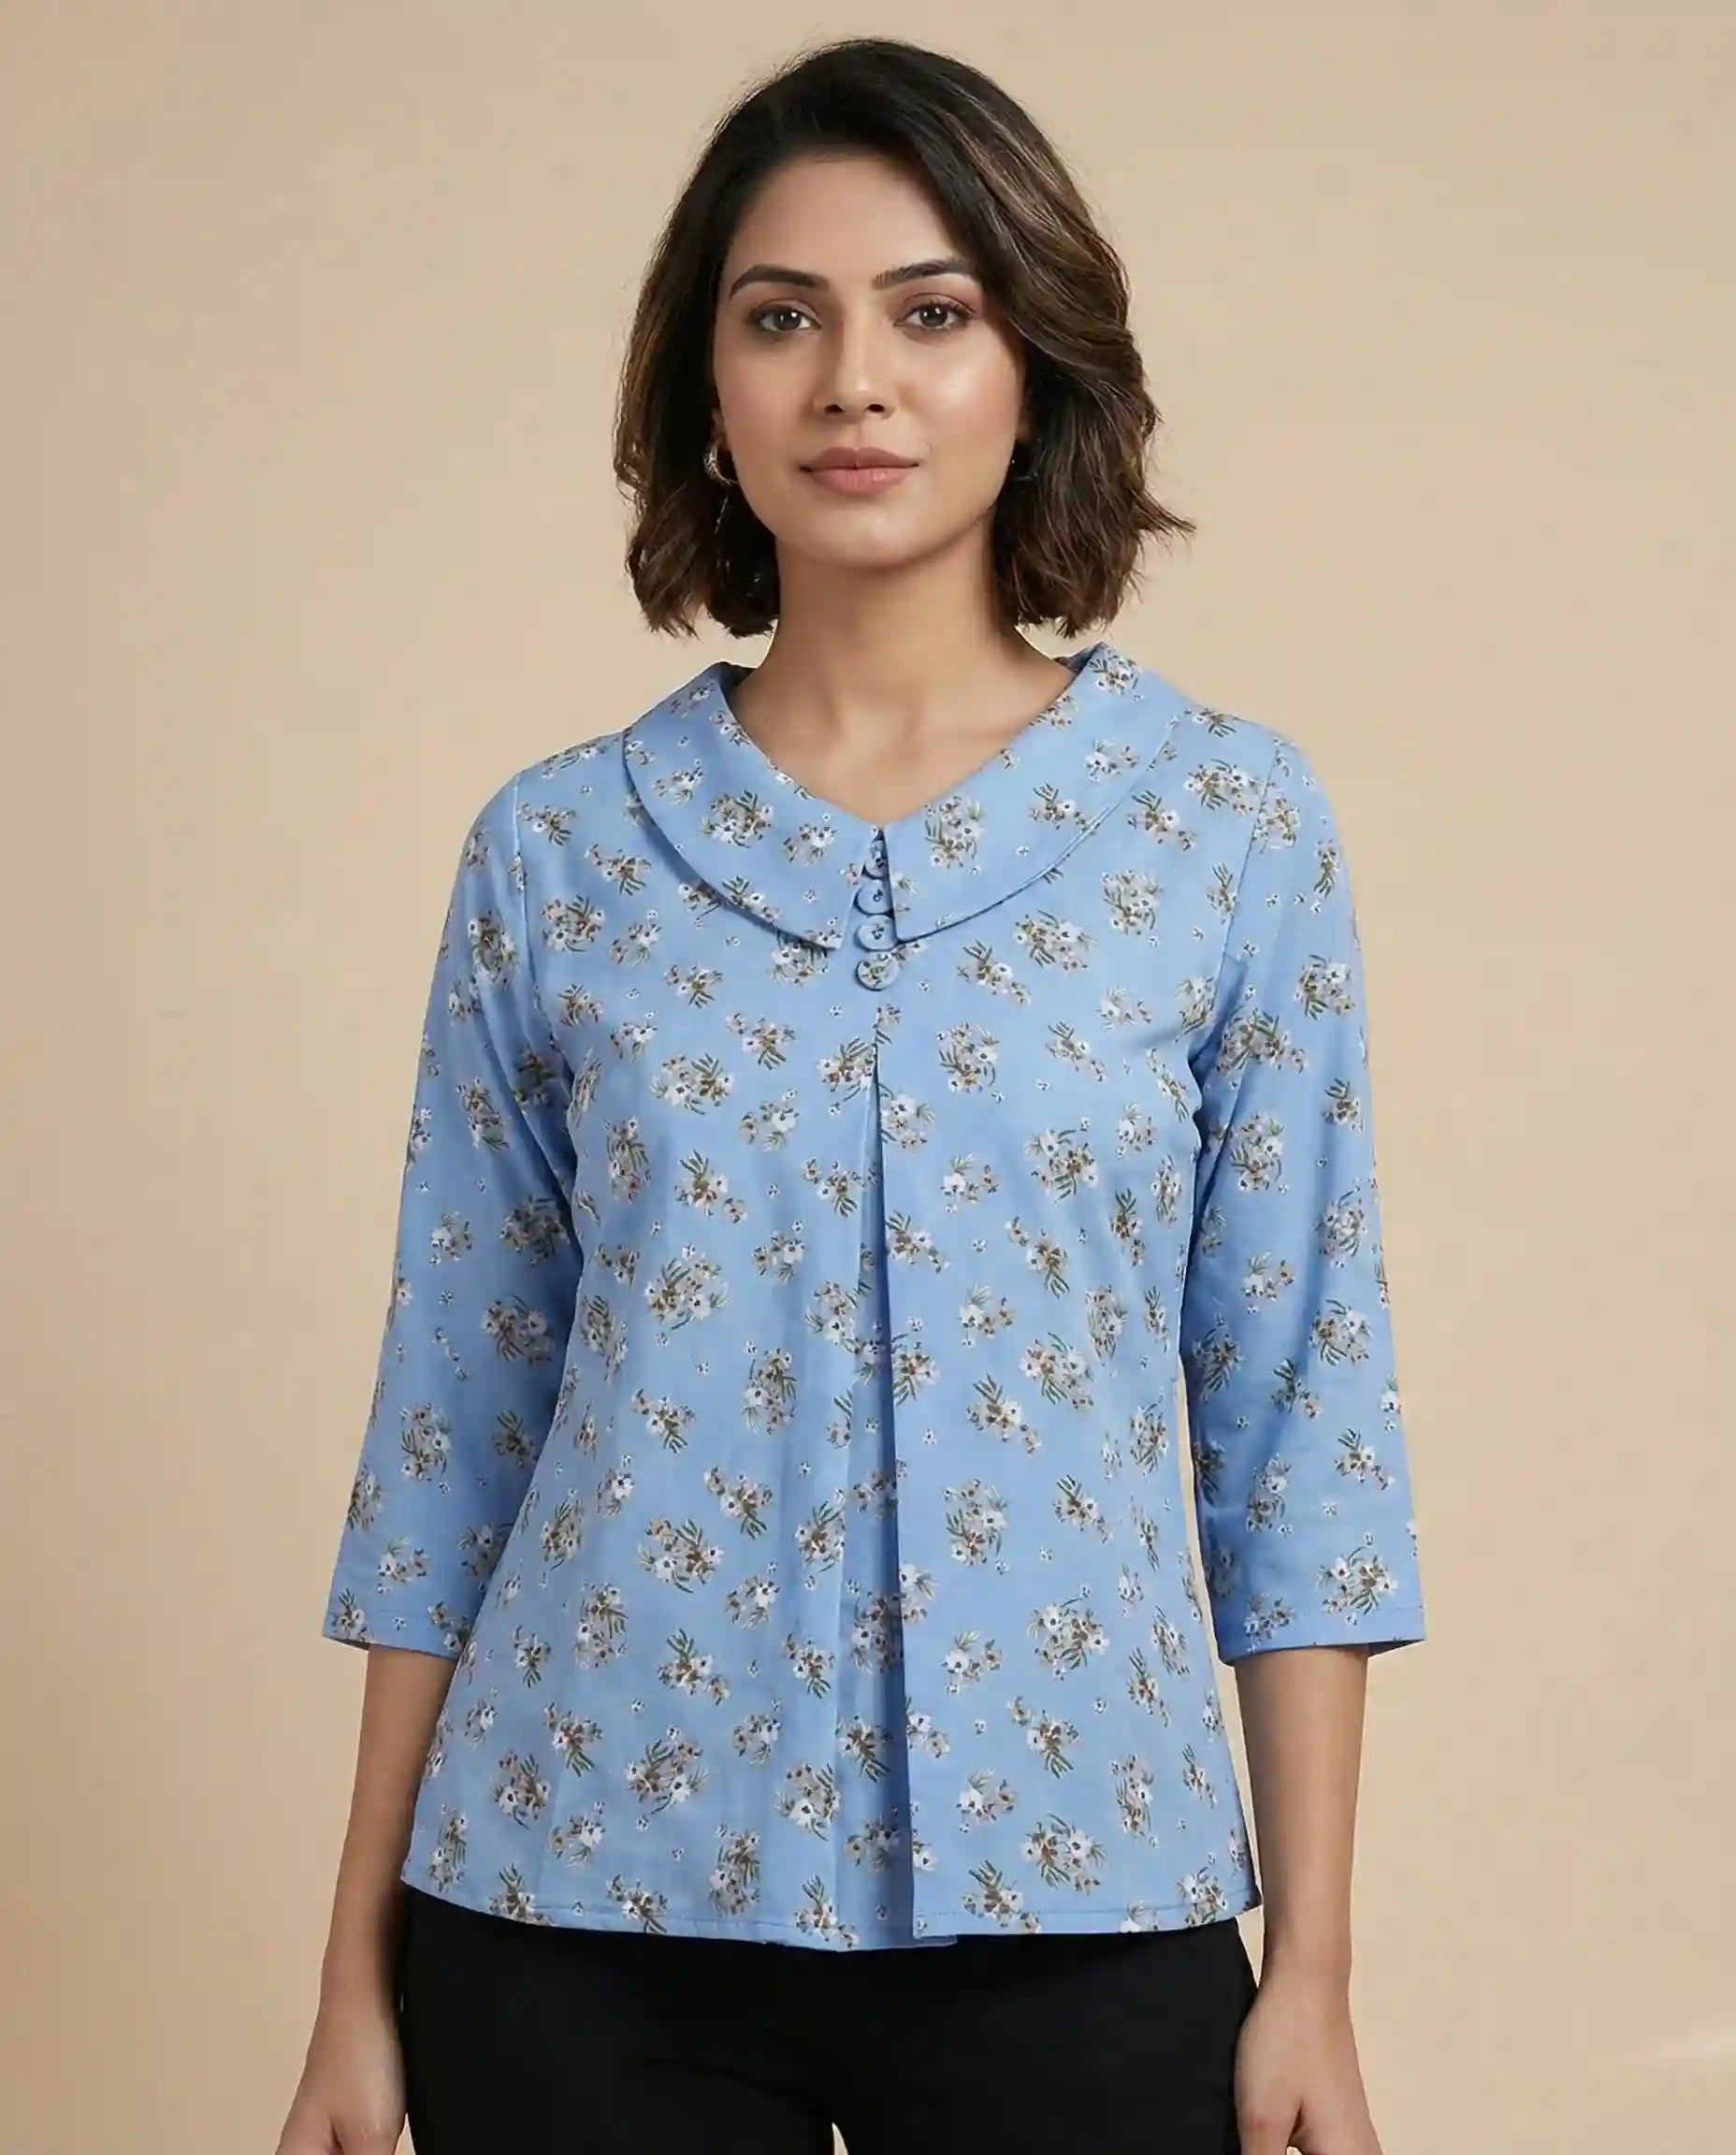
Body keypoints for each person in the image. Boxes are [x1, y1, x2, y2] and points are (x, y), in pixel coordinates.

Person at [274, 34, 1426, 2155]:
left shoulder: (1224, 830)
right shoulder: (559, 856)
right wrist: (352, 1984)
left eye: (932, 312)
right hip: (573, 1910)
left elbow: (1297, 1427)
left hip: (1082, 1896)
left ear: (1034, 369)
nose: (854, 385)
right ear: (706, 393)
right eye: (782, 318)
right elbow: (454, 1429)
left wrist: (1319, 1979)